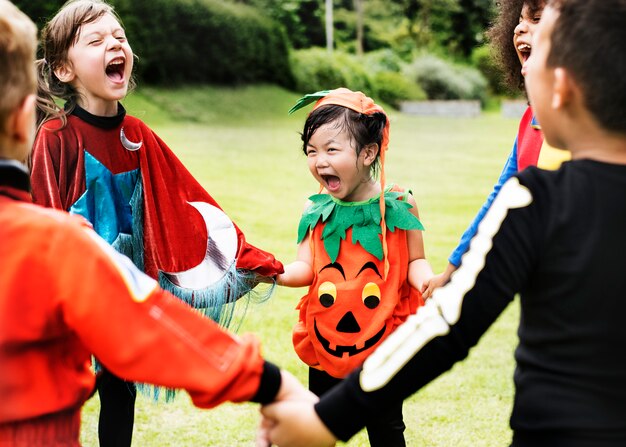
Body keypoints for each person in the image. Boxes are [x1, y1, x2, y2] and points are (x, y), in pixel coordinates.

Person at [257, 0, 626, 445]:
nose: (523, 71)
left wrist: (327, 420)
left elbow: (445, 328)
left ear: (561, 88)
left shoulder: (534, 201)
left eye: (535, 62)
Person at [0, 2, 315, 446]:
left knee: (118, 384)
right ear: (63, 69)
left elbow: (186, 200)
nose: (114, 43)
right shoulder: (57, 136)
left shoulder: (138, 135)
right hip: (71, 283)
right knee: (60, 377)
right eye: (95, 40)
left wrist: (248, 258)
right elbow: (44, 212)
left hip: (124, 280)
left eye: (119, 36)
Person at [276, 88, 433, 446]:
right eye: (311, 151)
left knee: (387, 429)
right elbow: (305, 268)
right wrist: (271, 272)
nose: (319, 161)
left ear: (368, 152)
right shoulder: (315, 209)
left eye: (332, 149)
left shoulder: (400, 204)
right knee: (319, 427)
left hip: (381, 341)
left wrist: (430, 282)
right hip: (326, 338)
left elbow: (416, 261)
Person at [423, 0, 570, 298]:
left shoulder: (603, 125)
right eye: (519, 20)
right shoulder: (531, 120)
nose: (520, 28)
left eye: (538, 18)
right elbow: (500, 199)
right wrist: (451, 271)